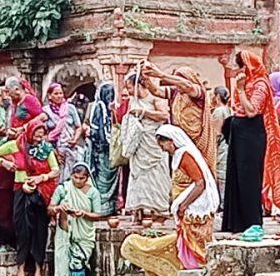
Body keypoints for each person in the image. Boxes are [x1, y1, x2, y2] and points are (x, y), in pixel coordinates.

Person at [121, 125, 219, 276]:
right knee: (186, 243)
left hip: (195, 208)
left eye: (163, 144)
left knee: (194, 244)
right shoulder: (180, 156)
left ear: (171, 140)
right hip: (188, 208)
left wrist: (183, 205)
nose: (163, 148)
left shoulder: (185, 155)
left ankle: (196, 271)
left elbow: (199, 183)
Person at [222, 50, 280, 231]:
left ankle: (251, 221)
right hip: (239, 132)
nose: (235, 71)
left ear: (247, 67)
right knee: (236, 175)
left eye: (238, 66)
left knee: (248, 177)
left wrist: (242, 90)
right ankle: (235, 222)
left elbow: (252, 111)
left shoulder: (260, 84)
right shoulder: (245, 82)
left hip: (251, 135)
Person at [0, 119, 60, 276]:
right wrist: (4, 162)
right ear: (29, 132)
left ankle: (38, 271)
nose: (38, 138)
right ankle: (20, 271)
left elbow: (55, 170)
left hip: (40, 193)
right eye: (36, 135)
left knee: (39, 231)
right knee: (22, 230)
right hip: (21, 192)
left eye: (41, 135)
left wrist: (40, 177)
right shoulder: (16, 145)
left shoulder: (46, 149)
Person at [49, 164, 105, 276]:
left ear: (87, 178)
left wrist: (83, 213)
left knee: (78, 267)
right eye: (75, 177)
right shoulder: (63, 188)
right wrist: (59, 208)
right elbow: (50, 208)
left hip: (84, 235)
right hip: (64, 232)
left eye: (81, 178)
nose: (78, 181)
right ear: (71, 175)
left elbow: (98, 214)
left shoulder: (93, 192)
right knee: (61, 264)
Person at [141, 64, 217, 176]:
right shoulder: (176, 92)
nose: (177, 85)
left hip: (197, 139)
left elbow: (188, 86)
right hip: (180, 139)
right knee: (182, 172)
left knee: (200, 173)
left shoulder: (198, 92)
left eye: (178, 81)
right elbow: (157, 91)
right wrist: (147, 80)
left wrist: (161, 75)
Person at [120, 72, 172, 220]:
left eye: (130, 87)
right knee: (138, 177)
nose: (128, 91)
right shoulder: (133, 100)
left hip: (154, 142)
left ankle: (157, 212)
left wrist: (144, 112)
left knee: (156, 176)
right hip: (139, 143)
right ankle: (139, 211)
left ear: (138, 85)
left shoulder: (155, 98)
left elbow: (164, 116)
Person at [44, 82, 87, 182]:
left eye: (60, 93)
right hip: (53, 150)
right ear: (49, 96)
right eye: (56, 94)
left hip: (71, 148)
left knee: (74, 175)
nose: (59, 96)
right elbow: (44, 134)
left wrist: (75, 139)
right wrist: (55, 152)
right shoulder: (45, 111)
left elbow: (78, 127)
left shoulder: (70, 108)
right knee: (57, 177)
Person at [87, 83, 119, 215]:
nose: (110, 97)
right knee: (103, 177)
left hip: (110, 149)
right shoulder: (99, 108)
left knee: (109, 176)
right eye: (108, 95)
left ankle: (109, 207)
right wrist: (106, 143)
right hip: (102, 149)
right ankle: (101, 206)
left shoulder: (111, 108)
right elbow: (98, 130)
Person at [210, 86, 232, 204]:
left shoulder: (219, 111)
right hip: (228, 145)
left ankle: (223, 203)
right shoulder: (228, 109)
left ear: (217, 97)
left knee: (221, 175)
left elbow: (216, 134)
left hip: (222, 147)